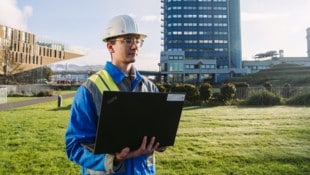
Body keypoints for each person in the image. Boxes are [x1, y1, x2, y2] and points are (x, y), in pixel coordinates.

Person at [65, 15, 166, 175]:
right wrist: (114, 159)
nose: (134, 46)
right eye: (127, 40)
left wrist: (160, 142)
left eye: (137, 41)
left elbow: (158, 130)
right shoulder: (90, 90)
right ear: (110, 46)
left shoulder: (150, 87)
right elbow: (74, 147)